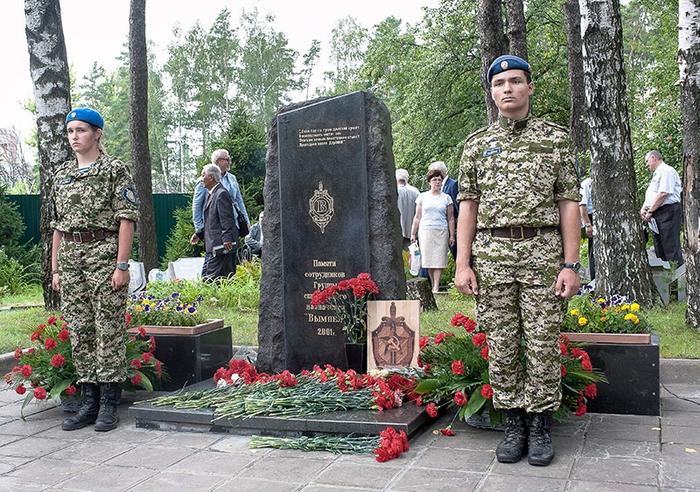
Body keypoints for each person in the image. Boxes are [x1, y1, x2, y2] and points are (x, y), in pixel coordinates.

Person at [455, 54, 581, 467]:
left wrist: (571, 264)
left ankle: (541, 425)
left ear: (530, 87)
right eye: (499, 83)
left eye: (514, 81)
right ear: (491, 93)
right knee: (502, 343)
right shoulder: (476, 145)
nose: (506, 88)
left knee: (543, 341)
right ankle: (513, 422)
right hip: (492, 257)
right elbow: (468, 208)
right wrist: (462, 263)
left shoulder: (555, 139)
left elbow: (568, 205)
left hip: (543, 255)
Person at [51, 107, 139, 432]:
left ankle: (108, 403)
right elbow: (57, 227)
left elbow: (126, 219)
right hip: (71, 260)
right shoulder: (61, 176)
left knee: (108, 329)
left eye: (82, 130)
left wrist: (122, 265)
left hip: (104, 255)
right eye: (70, 130)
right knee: (80, 329)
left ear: (97, 133)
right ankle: (88, 401)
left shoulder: (114, 169)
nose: (75, 136)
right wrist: (56, 269)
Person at [192, 149, 249, 275]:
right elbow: (197, 206)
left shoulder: (231, 179)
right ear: (218, 161)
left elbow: (238, 201)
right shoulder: (204, 181)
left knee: (224, 268)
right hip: (214, 232)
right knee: (214, 270)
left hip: (229, 231)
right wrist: (200, 231)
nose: (229, 162)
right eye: (227, 159)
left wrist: (245, 221)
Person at [410, 169, 455, 293]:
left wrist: (452, 235)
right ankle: (433, 283)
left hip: (441, 230)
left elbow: (450, 218)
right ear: (429, 182)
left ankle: (436, 286)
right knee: (428, 259)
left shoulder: (447, 198)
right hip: (425, 230)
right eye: (434, 180)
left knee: (439, 258)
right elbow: (417, 217)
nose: (437, 182)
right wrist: (413, 233)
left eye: (439, 180)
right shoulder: (422, 197)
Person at [190, 164, 237, 279]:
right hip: (213, 245)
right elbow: (211, 220)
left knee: (212, 280)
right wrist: (199, 234)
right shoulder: (212, 194)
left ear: (211, 177)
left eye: (203, 175)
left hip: (221, 246)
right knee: (207, 278)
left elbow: (227, 219)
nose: (201, 179)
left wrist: (227, 239)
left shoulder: (221, 194)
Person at [640, 150, 683, 265]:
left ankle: (679, 280)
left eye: (647, 161)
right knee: (660, 249)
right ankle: (667, 278)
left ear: (654, 158)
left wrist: (650, 211)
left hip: (668, 212)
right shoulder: (657, 174)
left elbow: (664, 193)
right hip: (656, 214)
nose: (646, 165)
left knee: (670, 247)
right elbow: (652, 195)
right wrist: (644, 209)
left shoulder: (667, 170)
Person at [428, 161, 460, 259]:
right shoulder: (440, 187)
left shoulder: (453, 185)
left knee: (458, 255)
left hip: (455, 229)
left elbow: (458, 208)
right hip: (442, 229)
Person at [396, 169, 419, 249]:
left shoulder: (394, 191)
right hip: (412, 232)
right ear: (407, 178)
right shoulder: (416, 192)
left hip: (396, 232)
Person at [579, 175, 595, 279]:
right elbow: (582, 205)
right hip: (590, 217)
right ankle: (594, 278)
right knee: (593, 249)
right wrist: (588, 224)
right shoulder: (586, 184)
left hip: (599, 215)